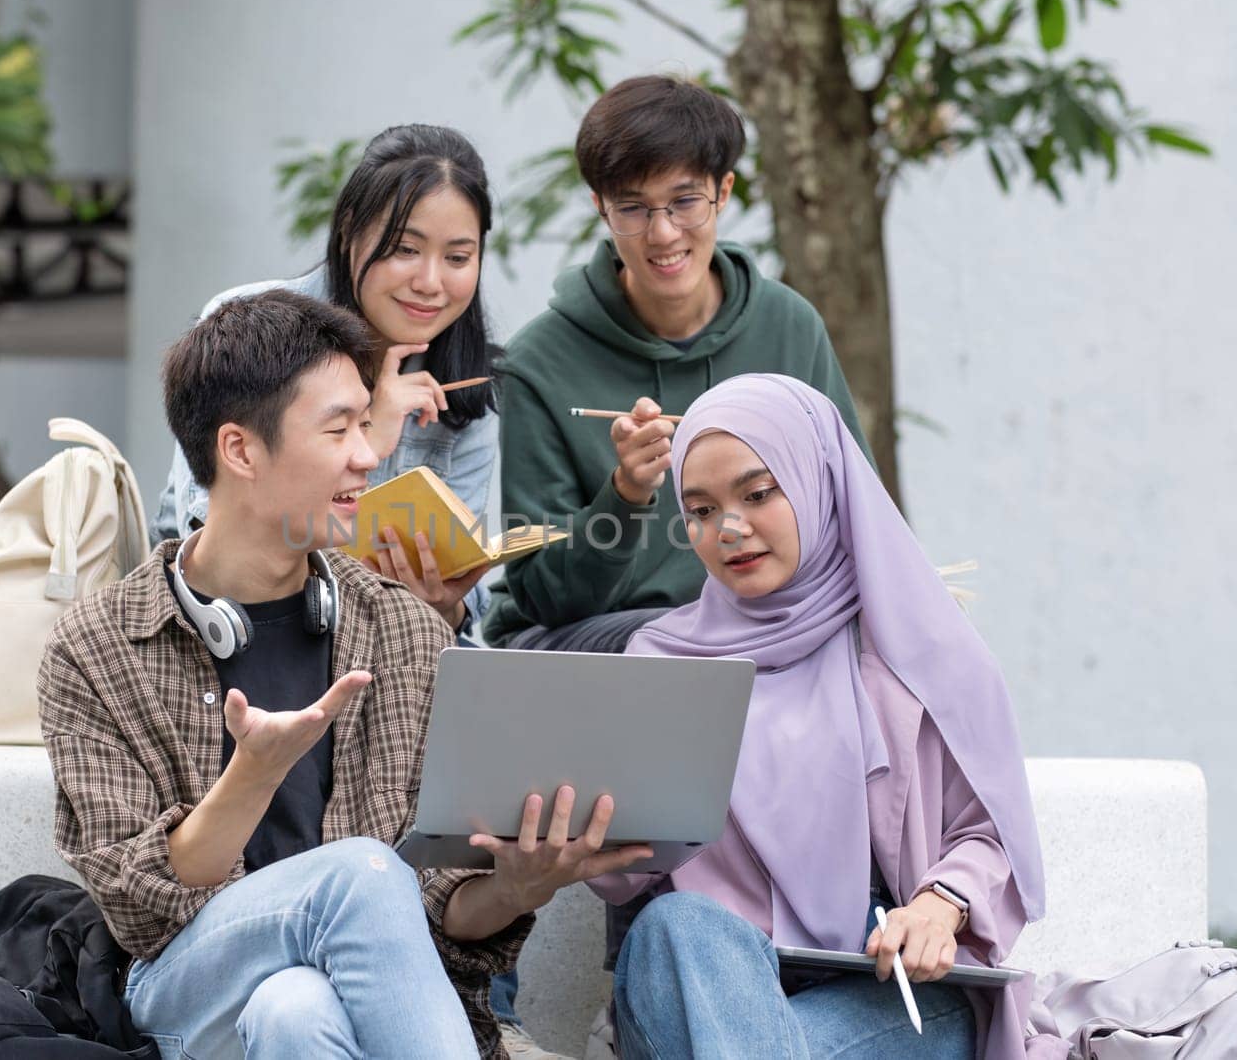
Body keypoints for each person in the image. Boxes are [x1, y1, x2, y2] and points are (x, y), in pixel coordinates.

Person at [39, 289, 643, 1059]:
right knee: (360, 873)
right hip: (182, 994)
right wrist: (252, 774)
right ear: (240, 450)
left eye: (366, 423)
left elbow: (433, 906)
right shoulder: (92, 649)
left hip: (326, 1004)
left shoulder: (403, 630)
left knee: (298, 1010)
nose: (368, 453)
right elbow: (143, 912)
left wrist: (521, 885)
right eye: (339, 429)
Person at [591, 374, 1047, 1059]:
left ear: (818, 479)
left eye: (757, 493)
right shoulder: (666, 659)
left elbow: (989, 831)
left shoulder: (911, 642)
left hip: (895, 990)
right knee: (676, 924)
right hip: (712, 976)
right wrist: (581, 826)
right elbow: (623, 870)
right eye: (702, 509)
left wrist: (939, 905)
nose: (731, 528)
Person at [482, 74, 874, 655]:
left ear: (724, 191)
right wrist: (627, 491)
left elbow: (855, 519)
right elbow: (545, 597)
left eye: (685, 201)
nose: (662, 233)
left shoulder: (789, 326)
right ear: (600, 208)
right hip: (604, 639)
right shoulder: (538, 362)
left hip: (762, 628)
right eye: (633, 209)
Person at [154, 123, 500, 638]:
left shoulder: (466, 388)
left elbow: (464, 605)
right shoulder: (250, 325)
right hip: (228, 629)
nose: (430, 283)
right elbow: (208, 532)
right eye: (405, 249)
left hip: (392, 646)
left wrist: (441, 604)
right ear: (349, 232)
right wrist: (369, 435)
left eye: (457, 258)